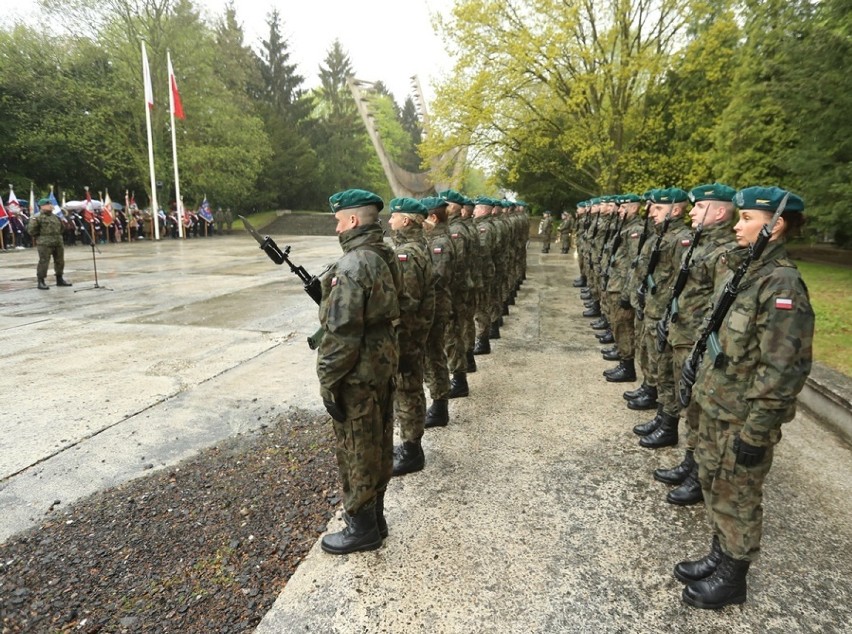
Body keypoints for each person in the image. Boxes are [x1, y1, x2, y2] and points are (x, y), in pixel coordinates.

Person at [675, 186, 814, 609]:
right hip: (719, 403)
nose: (739, 225)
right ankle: (721, 553)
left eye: (748, 219)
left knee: (739, 494)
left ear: (776, 227)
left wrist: (756, 432)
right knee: (716, 485)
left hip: (743, 415)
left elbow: (783, 370)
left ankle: (734, 576)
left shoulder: (782, 286)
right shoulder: (748, 271)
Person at [316, 188, 400, 555]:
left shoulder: (352, 265)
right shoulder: (383, 254)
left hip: (358, 370)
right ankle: (376, 518)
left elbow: (342, 334)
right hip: (381, 363)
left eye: (338, 219)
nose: (336, 227)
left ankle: (361, 526)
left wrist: (327, 382)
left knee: (356, 447)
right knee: (378, 441)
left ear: (352, 220)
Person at [386, 197, 435, 476]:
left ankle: (412, 451)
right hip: (413, 332)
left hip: (408, 334)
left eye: (394, 216)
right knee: (409, 389)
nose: (390, 221)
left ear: (406, 220)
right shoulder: (414, 247)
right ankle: (409, 444)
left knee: (407, 390)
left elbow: (407, 303)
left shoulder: (407, 254)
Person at [421, 196, 457, 428]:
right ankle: (438, 404)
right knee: (433, 355)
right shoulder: (436, 238)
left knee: (434, 356)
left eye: (423, 217)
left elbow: (437, 276)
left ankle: (440, 407)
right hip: (435, 304)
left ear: (433, 217)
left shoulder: (439, 243)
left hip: (436, 305)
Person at [26, 198, 71, 289]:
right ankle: (41, 281)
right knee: (44, 262)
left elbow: (62, 228)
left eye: (50, 204)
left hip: (58, 242)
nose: (51, 206)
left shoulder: (56, 217)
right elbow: (31, 231)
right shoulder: (37, 217)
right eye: (48, 204)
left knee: (60, 261)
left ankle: (59, 279)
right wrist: (42, 237)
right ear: (42, 206)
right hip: (44, 243)